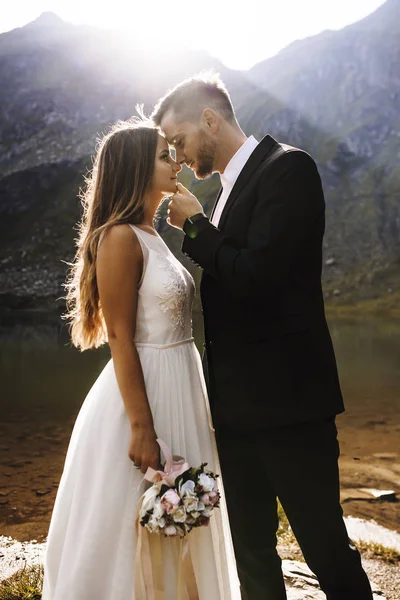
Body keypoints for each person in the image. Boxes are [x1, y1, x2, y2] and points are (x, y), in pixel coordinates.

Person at [151, 73, 373, 600]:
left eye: (179, 140)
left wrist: (198, 229)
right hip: (236, 412)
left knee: (323, 547)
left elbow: (260, 276)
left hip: (290, 405)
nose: (177, 156)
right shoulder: (226, 191)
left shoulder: (288, 169)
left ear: (211, 119)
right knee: (250, 551)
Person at [41, 117, 241, 599]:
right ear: (134, 169)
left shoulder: (152, 235)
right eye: (162, 155)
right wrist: (141, 428)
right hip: (145, 392)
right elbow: (120, 337)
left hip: (181, 384)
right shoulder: (120, 238)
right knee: (132, 520)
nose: (176, 161)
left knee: (179, 513)